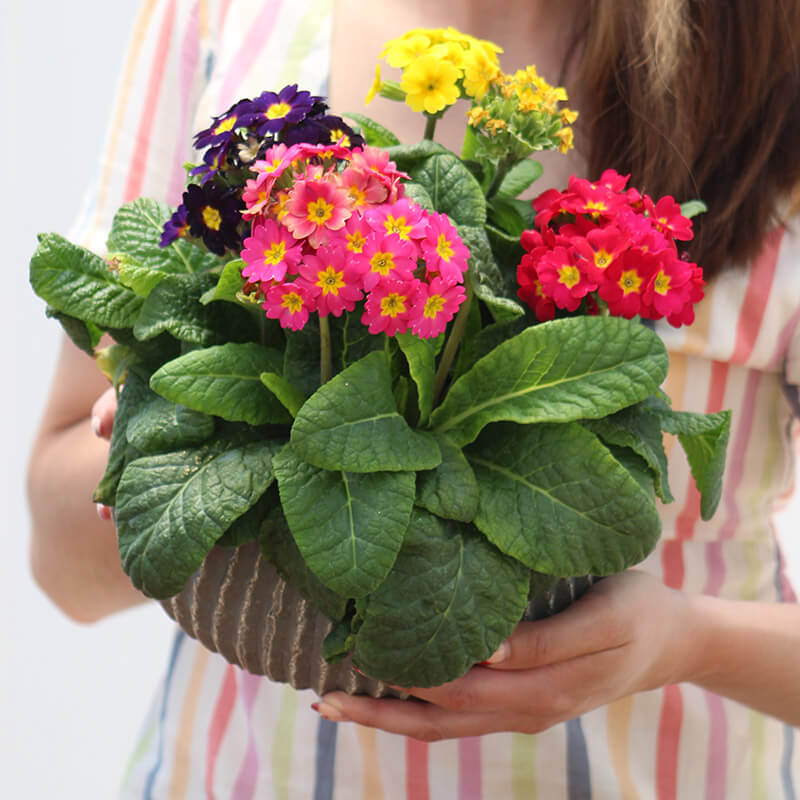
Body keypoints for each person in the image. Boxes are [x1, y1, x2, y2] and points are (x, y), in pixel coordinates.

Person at [26, 0, 800, 797]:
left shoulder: (772, 55)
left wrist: (693, 642)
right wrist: (163, 460)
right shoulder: (224, 15)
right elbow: (60, 564)